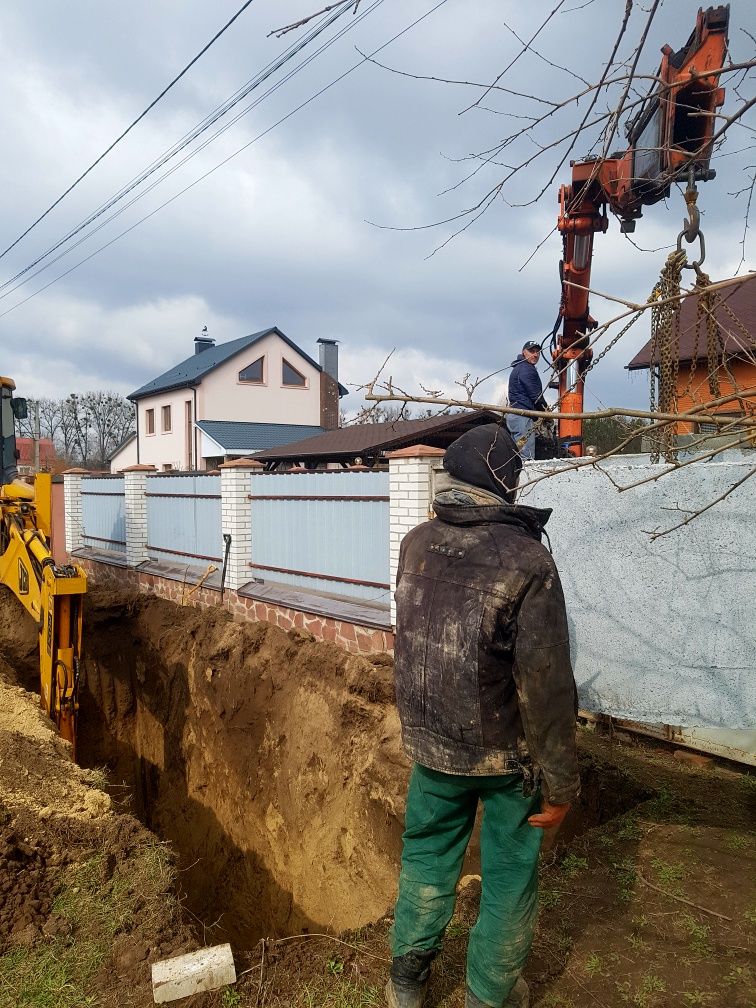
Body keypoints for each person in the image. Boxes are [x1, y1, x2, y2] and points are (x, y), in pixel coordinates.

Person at [387, 423, 580, 1008]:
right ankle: (489, 996)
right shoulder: (528, 562)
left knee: (425, 859)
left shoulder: (416, 543)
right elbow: (545, 687)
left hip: (433, 748)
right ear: (508, 487)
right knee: (508, 879)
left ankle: (406, 986)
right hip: (505, 760)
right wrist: (562, 783)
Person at [507, 342, 547, 460]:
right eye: (532, 351)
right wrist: (546, 412)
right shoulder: (526, 369)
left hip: (515, 415)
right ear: (523, 352)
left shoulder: (519, 367)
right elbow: (536, 395)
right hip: (522, 416)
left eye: (537, 352)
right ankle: (527, 478)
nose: (535, 355)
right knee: (526, 456)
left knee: (517, 454)